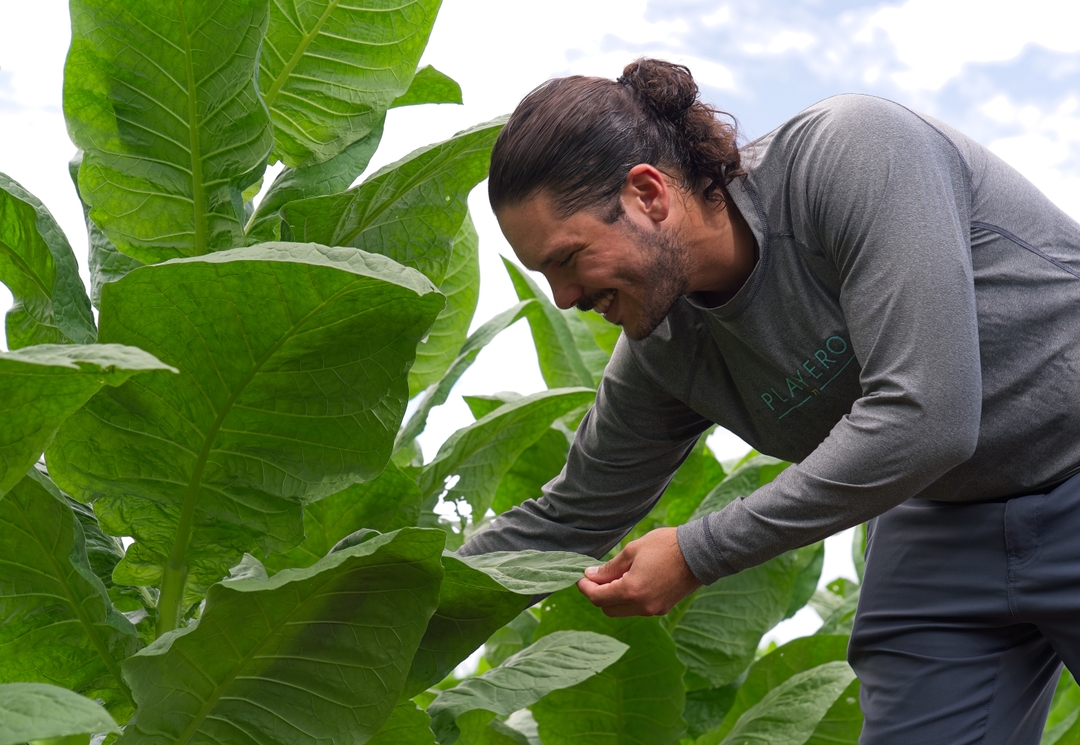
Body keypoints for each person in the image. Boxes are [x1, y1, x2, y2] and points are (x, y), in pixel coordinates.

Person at [458, 58, 1080, 743]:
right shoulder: (665, 347)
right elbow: (566, 518)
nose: (565, 297)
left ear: (648, 194)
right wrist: (364, 598)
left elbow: (927, 415)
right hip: (941, 521)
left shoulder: (853, 154)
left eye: (568, 258)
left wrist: (699, 550)